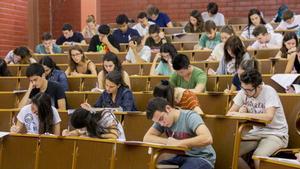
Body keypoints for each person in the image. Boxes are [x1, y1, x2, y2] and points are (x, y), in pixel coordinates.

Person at [227, 69, 288, 169]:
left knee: (257, 157)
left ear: (259, 86)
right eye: (243, 88)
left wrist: (245, 115)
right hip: (256, 132)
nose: (245, 92)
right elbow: (230, 113)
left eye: (249, 90)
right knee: (231, 152)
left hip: (276, 133)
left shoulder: (269, 91)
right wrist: (240, 112)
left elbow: (269, 117)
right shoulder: (244, 91)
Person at [143, 97, 216, 169]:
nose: (161, 124)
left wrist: (179, 143)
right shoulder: (161, 119)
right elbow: (147, 138)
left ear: (168, 108)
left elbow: (207, 138)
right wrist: (168, 141)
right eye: (158, 121)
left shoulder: (190, 116)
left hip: (202, 157)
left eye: (161, 119)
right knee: (154, 166)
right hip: (181, 157)